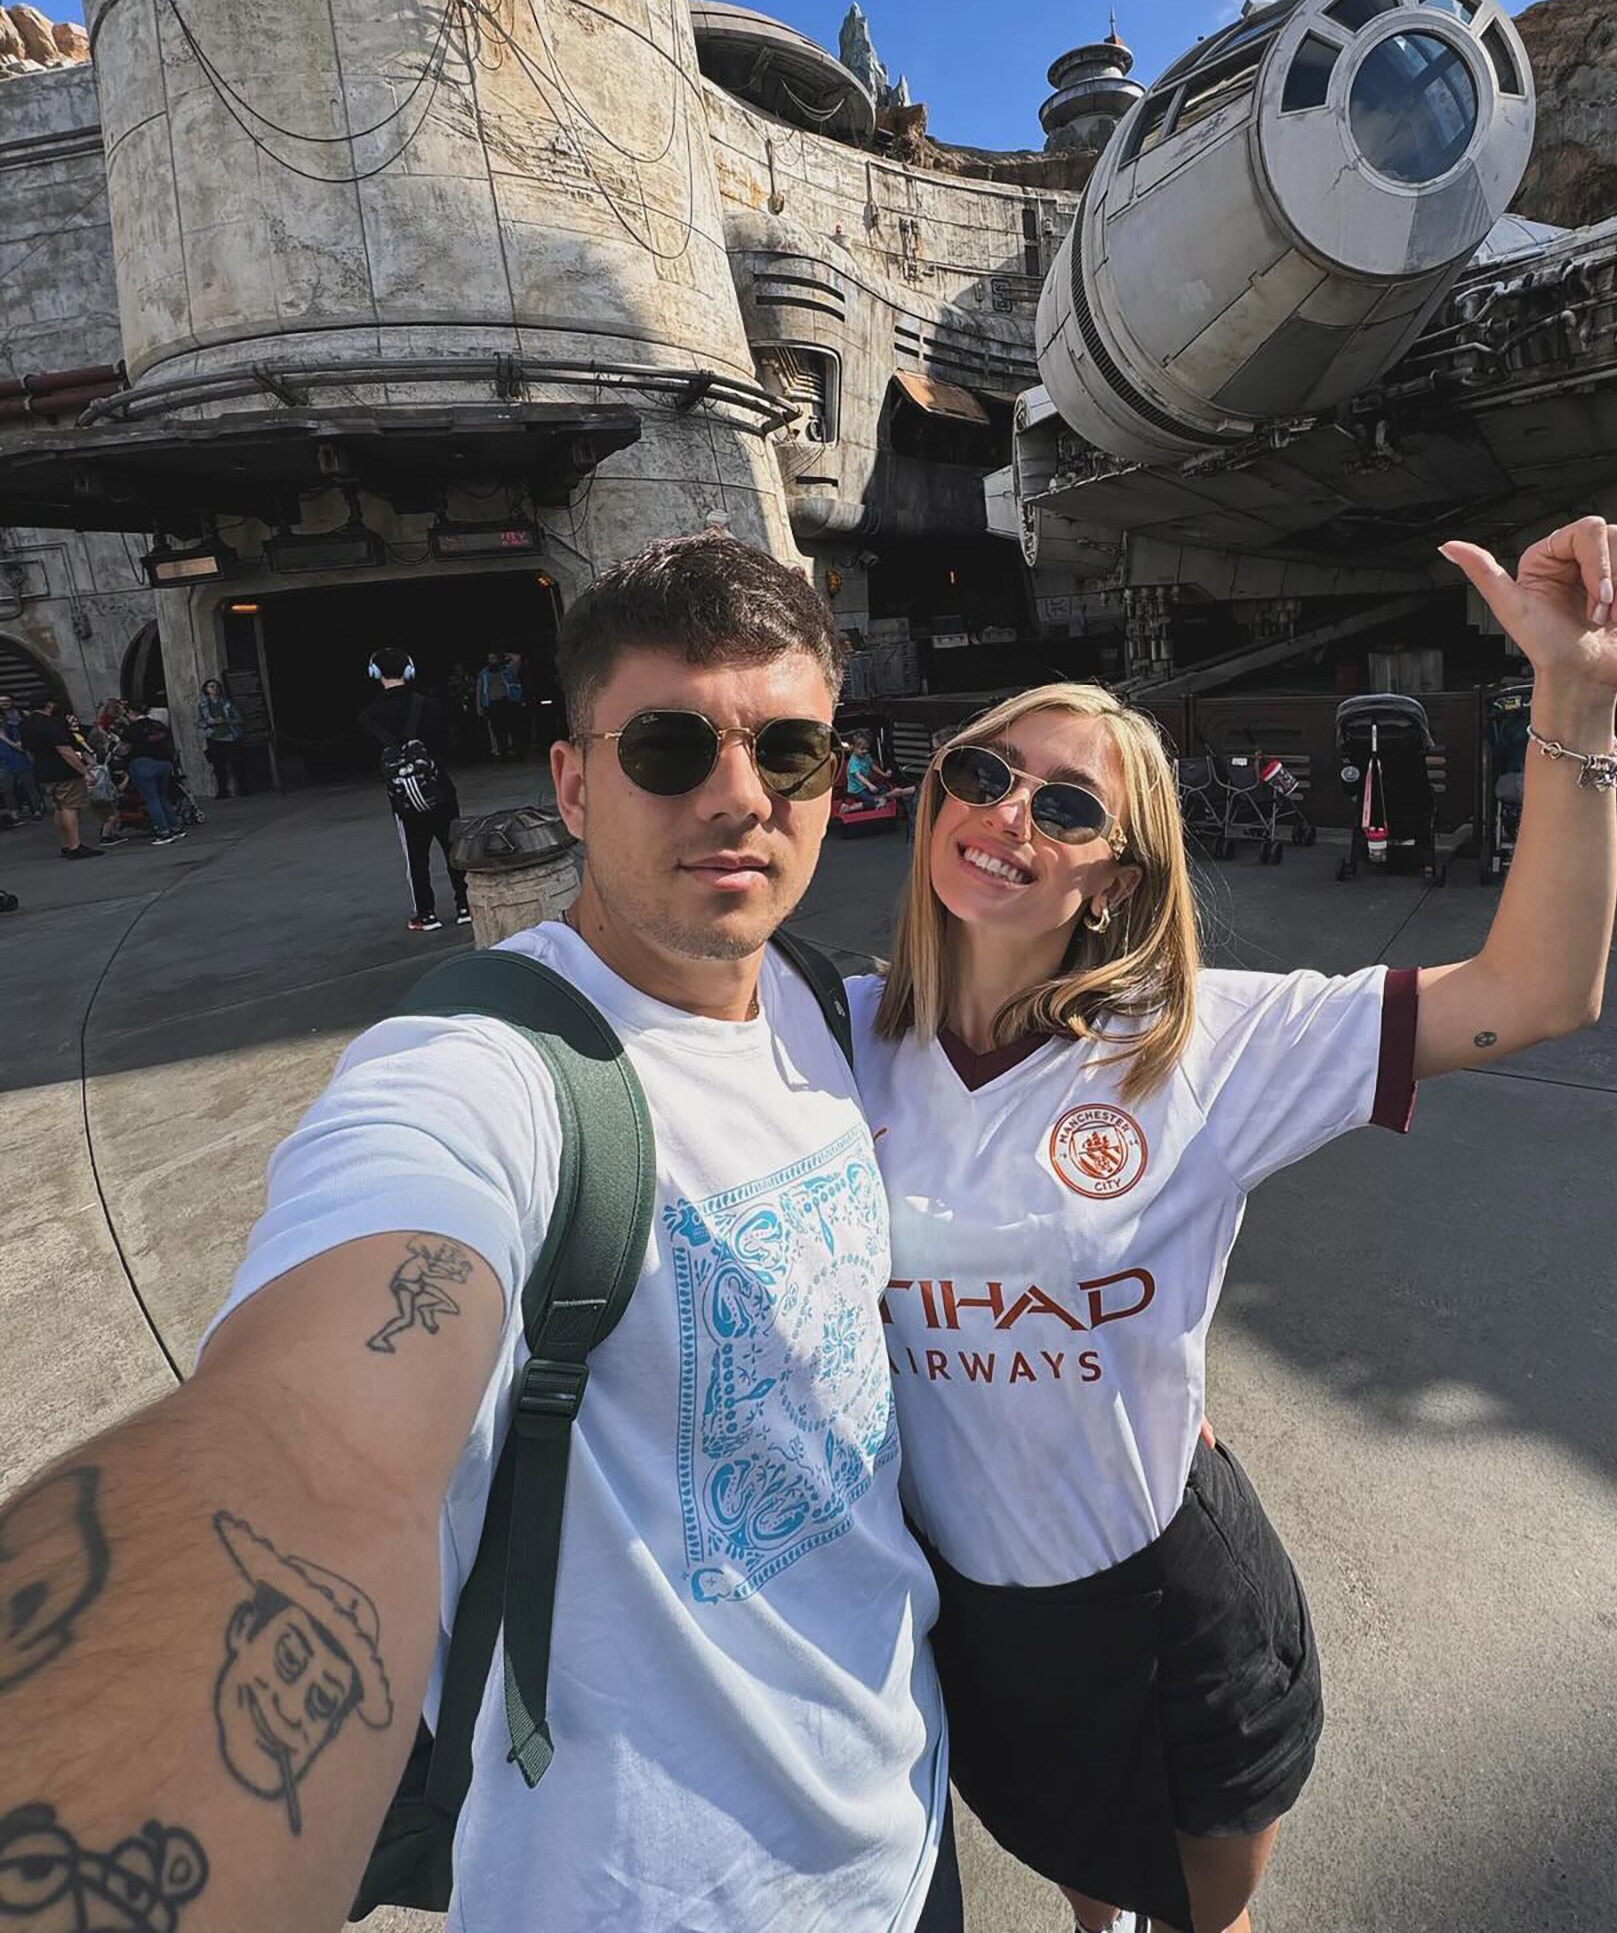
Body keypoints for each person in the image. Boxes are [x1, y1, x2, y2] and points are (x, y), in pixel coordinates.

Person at [0, 534, 952, 1933]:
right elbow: (312, 1446)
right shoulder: (480, 1074)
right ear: (572, 784)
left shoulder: (821, 1004)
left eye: (791, 751)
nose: (741, 795)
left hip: (908, 1824)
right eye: (670, 748)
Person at [852, 516, 1617, 1933]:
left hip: (1163, 1606)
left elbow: (1534, 992)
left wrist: (1577, 700)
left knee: (1194, 1908)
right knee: (1079, 1875)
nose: (1008, 815)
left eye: (1067, 808)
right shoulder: (830, 1034)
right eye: (982, 774)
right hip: (973, 1609)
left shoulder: (1198, 1044)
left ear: (1117, 878)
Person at [361, 649, 470, 933]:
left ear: (375, 673)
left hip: (404, 799)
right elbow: (447, 742)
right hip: (440, 789)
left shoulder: (368, 716)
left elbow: (371, 760)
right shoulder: (429, 705)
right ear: (409, 670)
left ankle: (426, 915)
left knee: (416, 858)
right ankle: (464, 906)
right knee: (455, 848)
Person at [19, 696, 100, 860]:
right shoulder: (51, 723)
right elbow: (65, 750)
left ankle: (65, 844)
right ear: (49, 705)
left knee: (59, 807)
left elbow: (26, 749)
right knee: (70, 807)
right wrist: (85, 771)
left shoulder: (25, 724)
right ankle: (75, 845)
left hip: (42, 770)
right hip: (63, 770)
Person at [119, 704, 189, 845]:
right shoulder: (158, 725)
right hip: (164, 763)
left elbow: (124, 749)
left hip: (143, 764)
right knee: (163, 797)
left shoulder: (132, 729)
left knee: (151, 799)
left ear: (131, 713)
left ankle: (163, 831)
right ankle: (176, 827)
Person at [197, 677, 249, 797]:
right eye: (211, 686)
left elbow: (240, 719)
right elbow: (199, 722)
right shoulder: (203, 705)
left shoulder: (227, 703)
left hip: (230, 736)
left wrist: (225, 720)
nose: (215, 689)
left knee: (237, 764)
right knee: (218, 766)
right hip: (214, 737)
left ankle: (243, 789)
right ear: (206, 689)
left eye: (216, 686)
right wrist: (208, 723)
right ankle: (222, 791)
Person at [476, 649, 528, 761]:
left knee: (514, 728)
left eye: (494, 658)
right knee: (498, 730)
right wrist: (479, 706)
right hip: (493, 704)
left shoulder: (507, 669)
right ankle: (504, 754)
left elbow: (518, 658)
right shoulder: (484, 673)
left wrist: (504, 654)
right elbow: (479, 690)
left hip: (509, 702)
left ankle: (518, 752)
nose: (491, 661)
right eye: (489, 659)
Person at [0, 705, 43, 820]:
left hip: (20, 761)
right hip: (4, 764)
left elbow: (21, 747)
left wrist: (5, 738)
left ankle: (37, 810)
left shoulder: (13, 729)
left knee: (30, 787)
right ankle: (14, 812)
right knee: (7, 788)